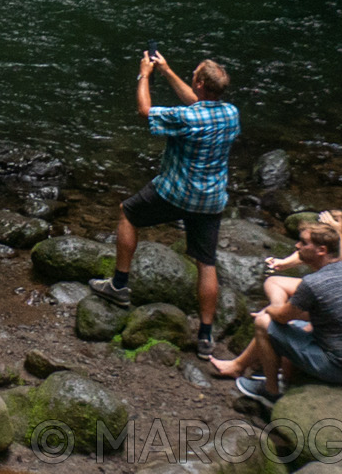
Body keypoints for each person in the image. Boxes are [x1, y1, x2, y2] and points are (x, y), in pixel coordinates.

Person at [90, 49, 238, 358]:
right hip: (211, 199)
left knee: (128, 212)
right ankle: (206, 336)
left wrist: (145, 74)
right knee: (206, 262)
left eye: (193, 75)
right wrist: (167, 71)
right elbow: (201, 104)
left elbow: (146, 111)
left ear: (198, 83)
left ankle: (119, 285)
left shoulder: (186, 117)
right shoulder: (231, 114)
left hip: (176, 192)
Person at [212, 221, 342, 400]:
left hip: (340, 368)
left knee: (263, 323)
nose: (297, 246)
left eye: (303, 243)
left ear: (321, 250)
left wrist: (269, 311)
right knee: (295, 323)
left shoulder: (313, 284)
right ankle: (285, 378)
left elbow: (281, 317)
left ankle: (271, 392)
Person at [260, 209, 342, 310]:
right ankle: (279, 311)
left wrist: (339, 234)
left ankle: (279, 313)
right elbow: (311, 251)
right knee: (277, 285)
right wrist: (283, 263)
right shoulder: (336, 244)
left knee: (277, 285)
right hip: (333, 291)